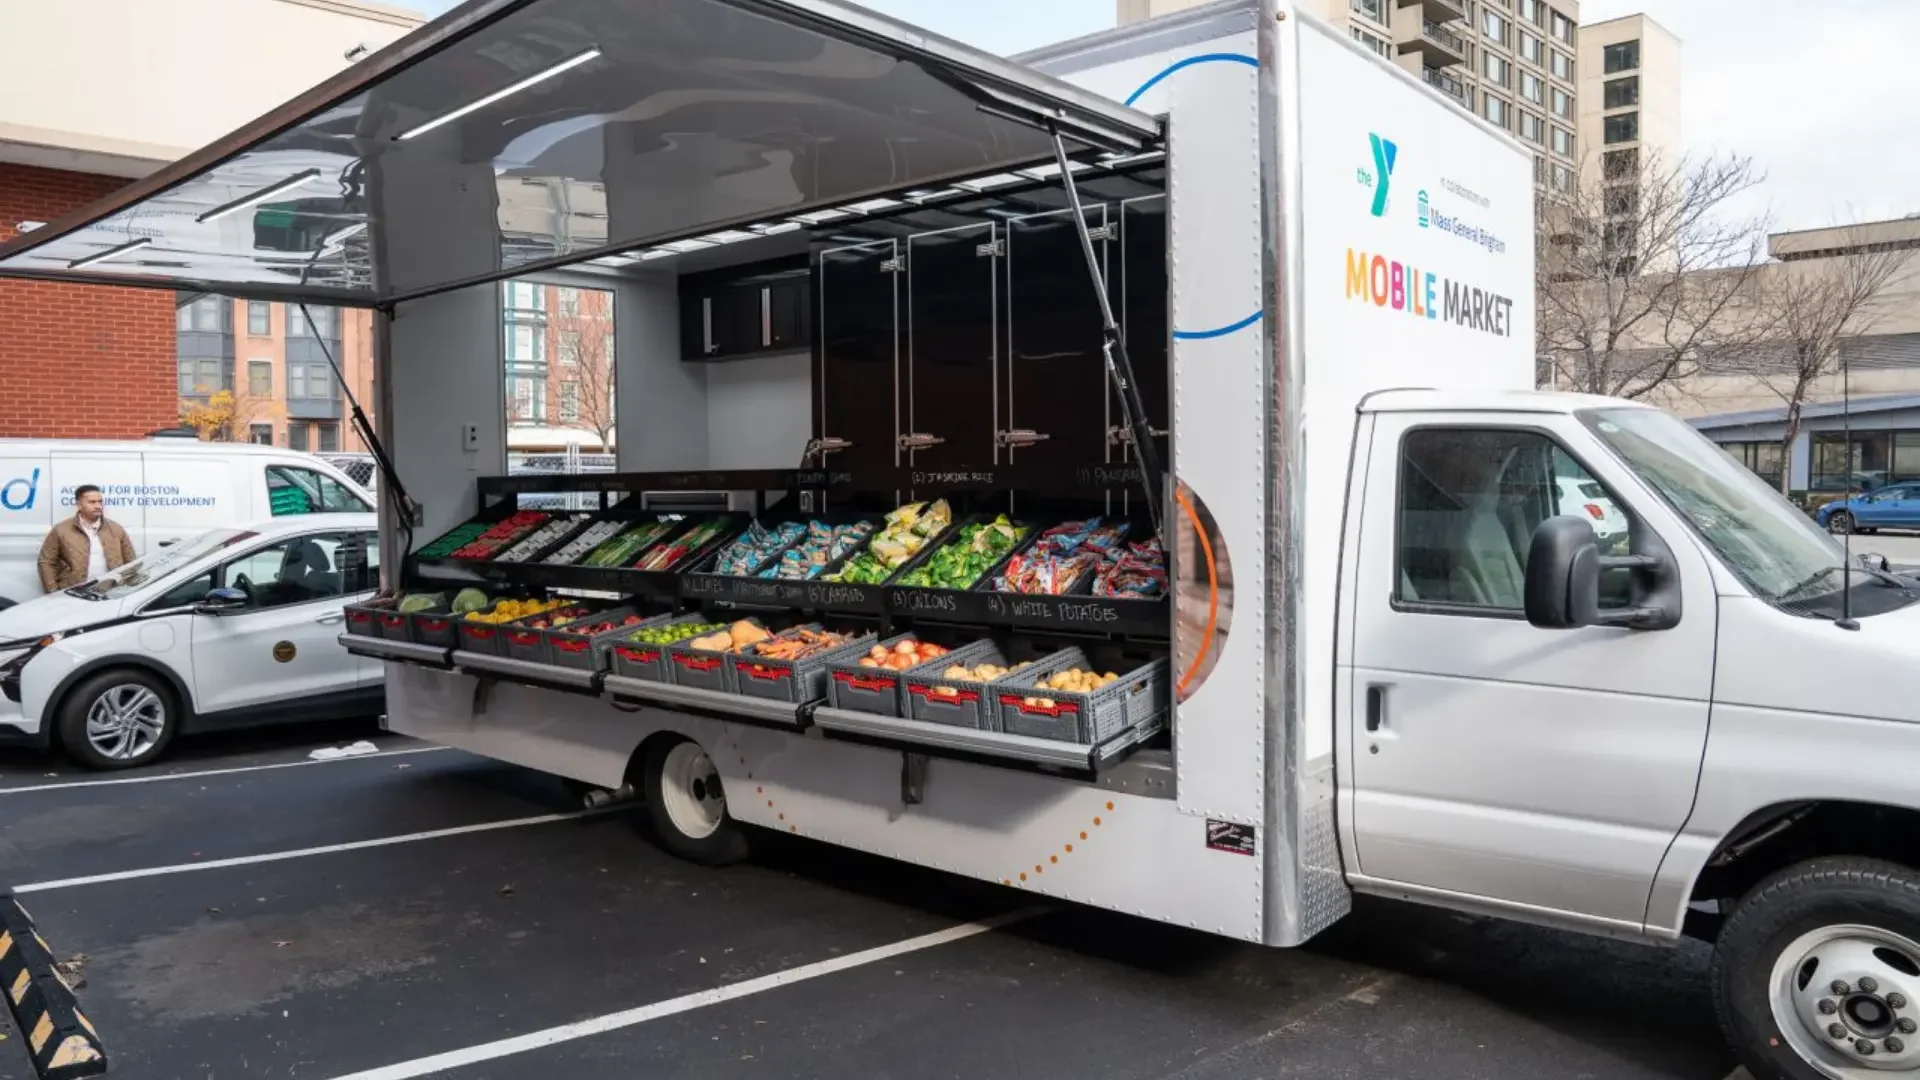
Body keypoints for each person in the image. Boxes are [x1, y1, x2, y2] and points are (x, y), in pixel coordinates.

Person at [37, 485, 136, 592]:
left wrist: (127, 590)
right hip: (73, 593)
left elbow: (130, 561)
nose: (98, 506)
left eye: (100, 501)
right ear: (79, 505)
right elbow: (46, 561)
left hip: (110, 593)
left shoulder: (116, 529)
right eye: (92, 502)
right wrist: (53, 592)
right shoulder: (61, 529)